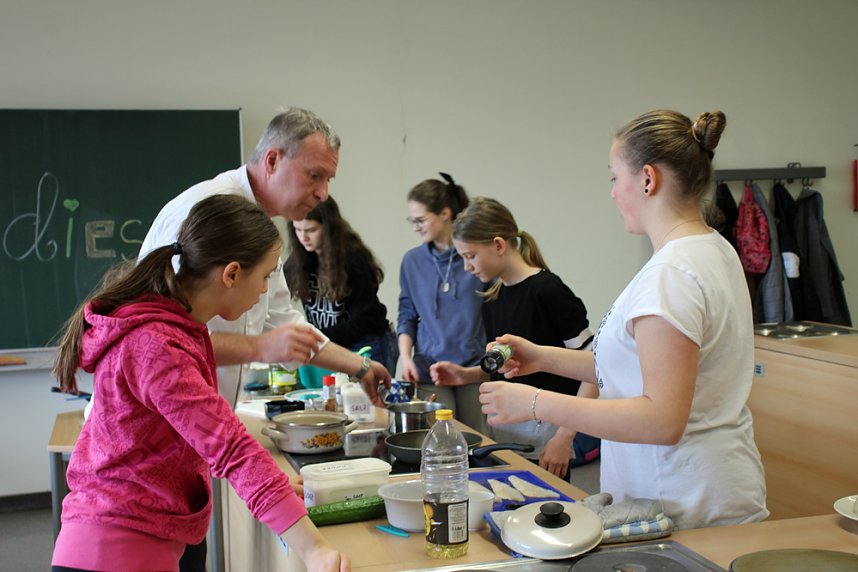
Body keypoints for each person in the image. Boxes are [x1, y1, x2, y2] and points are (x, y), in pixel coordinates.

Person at [478, 110, 769, 529]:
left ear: (648, 179)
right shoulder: (711, 249)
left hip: (688, 502)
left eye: (615, 177)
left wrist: (537, 402)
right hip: (697, 490)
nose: (613, 193)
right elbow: (635, 365)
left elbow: (662, 418)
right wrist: (542, 358)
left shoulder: (672, 275)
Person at [51, 195, 348, 572]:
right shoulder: (157, 346)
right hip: (115, 551)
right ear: (232, 274)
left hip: (126, 540)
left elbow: (202, 435)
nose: (264, 289)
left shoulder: (177, 332)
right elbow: (230, 447)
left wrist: (272, 489)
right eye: (267, 274)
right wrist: (316, 550)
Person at [139, 108, 390, 408]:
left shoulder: (256, 225)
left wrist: (358, 365)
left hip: (206, 424)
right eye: (314, 176)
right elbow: (161, 339)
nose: (323, 193)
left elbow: (282, 320)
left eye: (328, 180)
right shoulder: (207, 210)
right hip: (157, 428)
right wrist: (259, 347)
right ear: (272, 160)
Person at [430, 197, 599, 480]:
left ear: (498, 245)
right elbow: (511, 369)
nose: (467, 267)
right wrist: (465, 375)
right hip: (507, 440)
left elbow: (594, 368)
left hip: (548, 441)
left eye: (470, 256)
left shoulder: (548, 291)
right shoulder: (493, 296)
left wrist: (564, 437)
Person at [397, 173, 487, 432]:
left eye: (421, 220)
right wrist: (406, 358)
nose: (416, 227)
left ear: (445, 213)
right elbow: (407, 314)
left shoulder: (475, 256)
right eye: (411, 221)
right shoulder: (412, 261)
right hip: (430, 370)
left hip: (473, 368)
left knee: (477, 442)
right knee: (438, 440)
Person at [285, 197, 398, 373]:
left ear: (328, 228)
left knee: (368, 400)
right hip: (332, 346)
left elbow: (366, 319)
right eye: (297, 230)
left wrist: (316, 336)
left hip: (367, 344)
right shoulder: (298, 261)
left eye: (311, 230)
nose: (303, 237)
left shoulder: (353, 259)